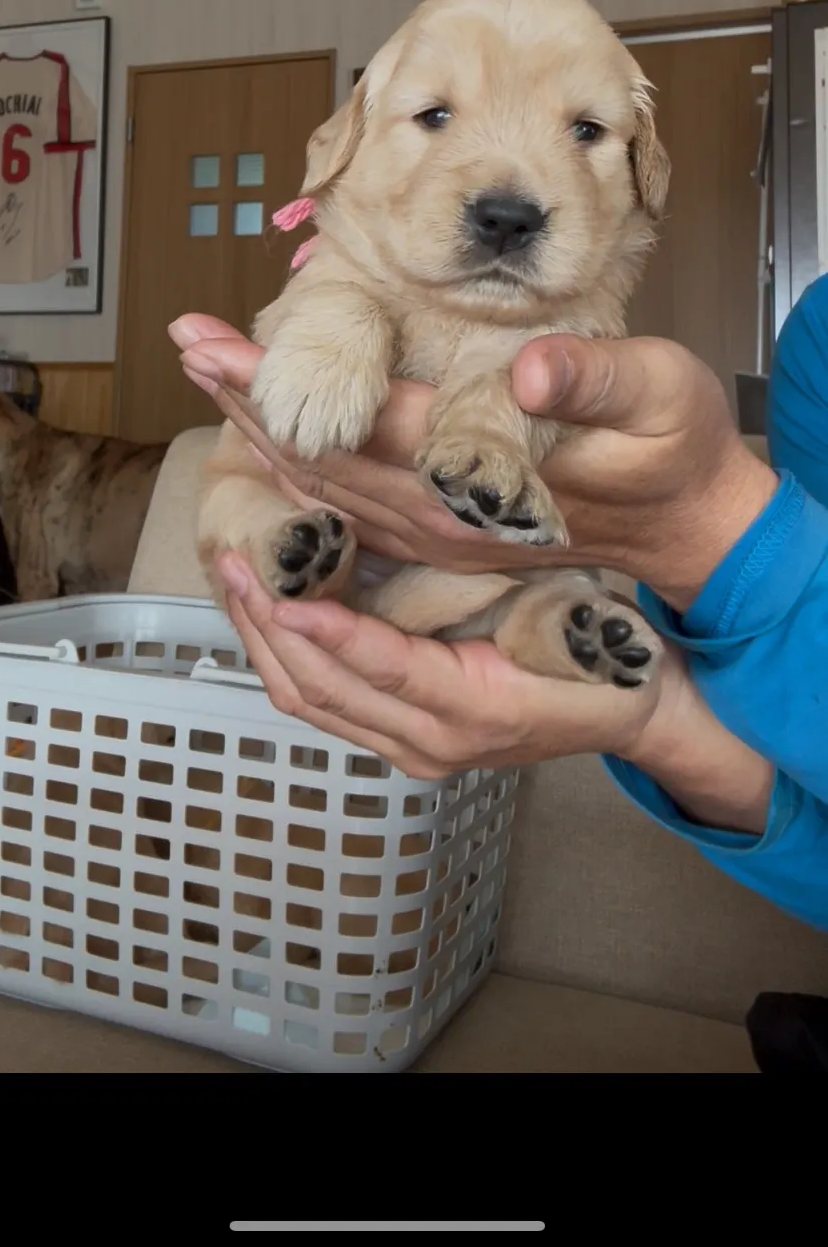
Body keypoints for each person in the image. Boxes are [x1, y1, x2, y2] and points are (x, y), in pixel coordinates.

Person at [168, 298, 828, 942]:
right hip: (338, 561)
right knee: (246, 503)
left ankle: (539, 622)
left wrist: (701, 524)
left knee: (531, 585)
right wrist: (660, 719)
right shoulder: (817, 339)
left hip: (471, 584)